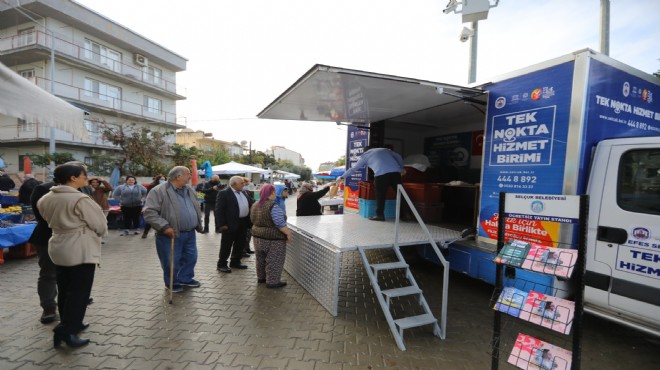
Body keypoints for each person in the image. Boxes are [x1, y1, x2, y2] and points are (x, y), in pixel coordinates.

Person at [37, 164, 108, 348]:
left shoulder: (46, 198)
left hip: (58, 244)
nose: (86, 178)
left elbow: (45, 219)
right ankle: (67, 330)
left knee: (65, 288)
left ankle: (70, 323)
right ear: (73, 178)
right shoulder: (80, 199)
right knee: (79, 293)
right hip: (79, 247)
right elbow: (100, 225)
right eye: (84, 175)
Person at [143, 166, 203, 293]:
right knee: (171, 260)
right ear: (178, 177)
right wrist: (164, 227)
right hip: (170, 233)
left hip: (190, 232)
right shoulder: (158, 191)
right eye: (188, 174)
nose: (190, 176)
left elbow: (196, 205)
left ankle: (185, 278)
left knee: (191, 257)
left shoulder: (189, 190)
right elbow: (149, 212)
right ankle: (172, 282)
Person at [340, 146, 405, 221]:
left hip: (381, 175)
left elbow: (354, 169)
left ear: (365, 151)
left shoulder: (365, 156)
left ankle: (380, 215)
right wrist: (402, 168)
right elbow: (398, 156)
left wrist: (342, 177)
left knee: (380, 195)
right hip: (395, 173)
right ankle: (405, 215)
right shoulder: (385, 150)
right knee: (401, 194)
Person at [250, 184, 291, 288]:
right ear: (272, 193)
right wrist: (288, 234)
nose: (275, 194)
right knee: (274, 259)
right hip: (273, 239)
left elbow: (252, 219)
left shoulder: (255, 204)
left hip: (257, 237)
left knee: (260, 259)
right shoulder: (273, 205)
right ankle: (273, 282)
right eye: (273, 192)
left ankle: (261, 278)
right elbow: (280, 224)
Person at [215, 175, 254, 273]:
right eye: (241, 183)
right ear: (233, 184)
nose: (243, 184)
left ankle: (235, 262)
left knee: (240, 243)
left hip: (243, 222)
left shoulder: (243, 193)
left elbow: (250, 204)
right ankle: (222, 264)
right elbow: (219, 210)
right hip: (229, 223)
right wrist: (222, 224)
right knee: (226, 244)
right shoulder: (224, 193)